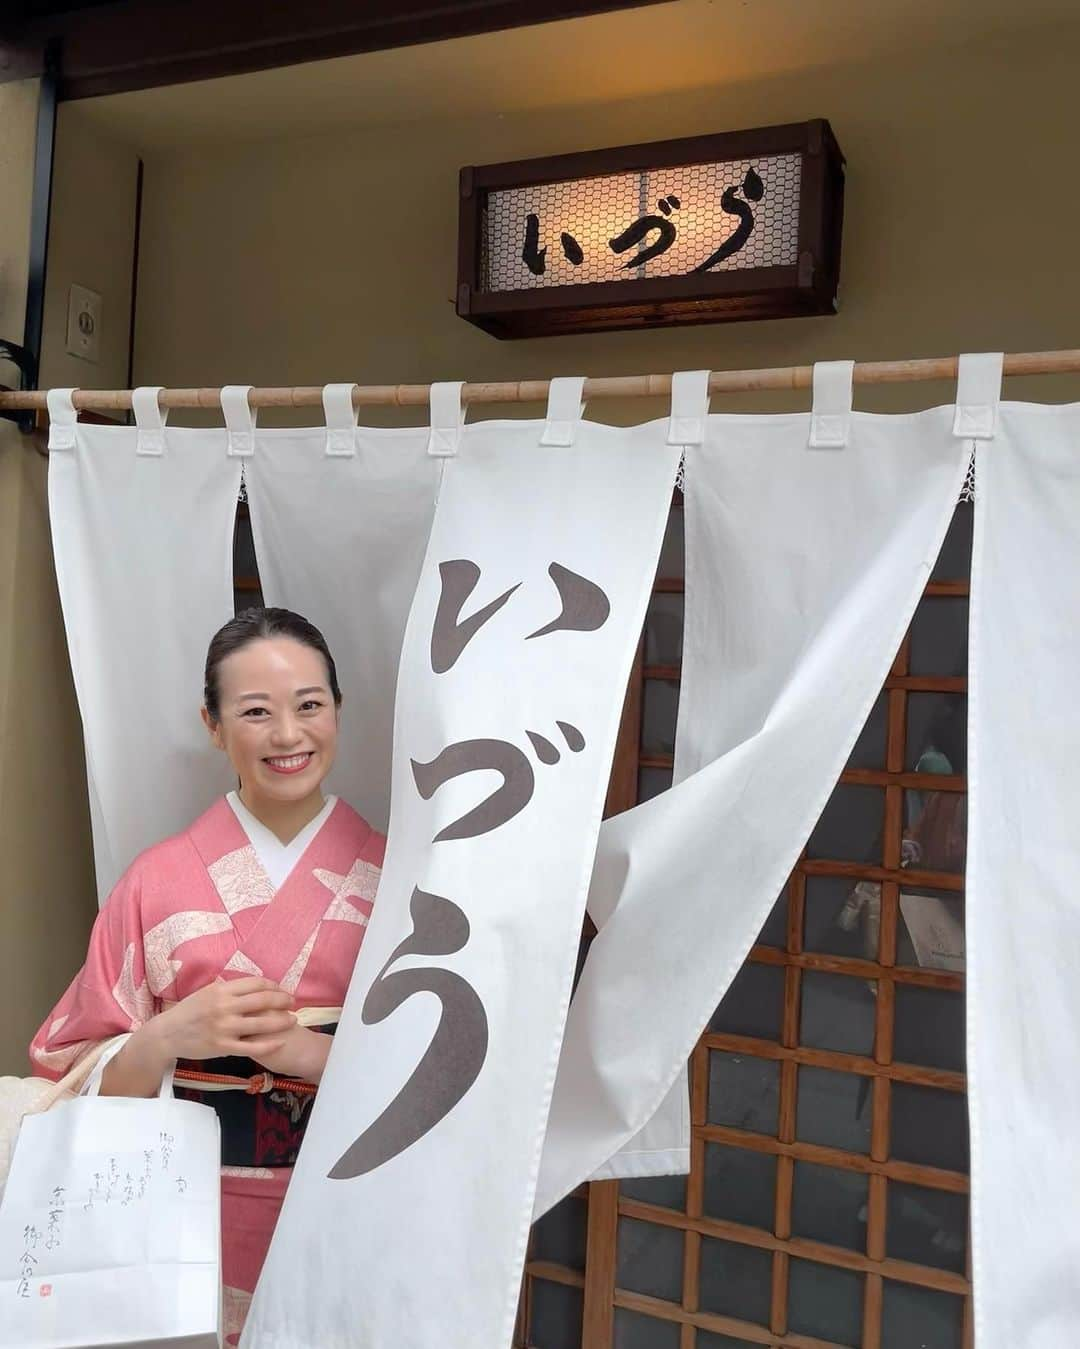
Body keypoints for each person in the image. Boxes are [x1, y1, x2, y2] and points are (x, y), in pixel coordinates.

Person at [29, 607, 386, 1343]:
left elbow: (448, 1074)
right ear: (214, 725)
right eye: (255, 712)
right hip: (183, 1217)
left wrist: (311, 1053)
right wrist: (164, 1035)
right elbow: (65, 1070)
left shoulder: (399, 878)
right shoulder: (156, 881)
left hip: (356, 1202)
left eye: (309, 706)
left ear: (339, 711)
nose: (288, 735)